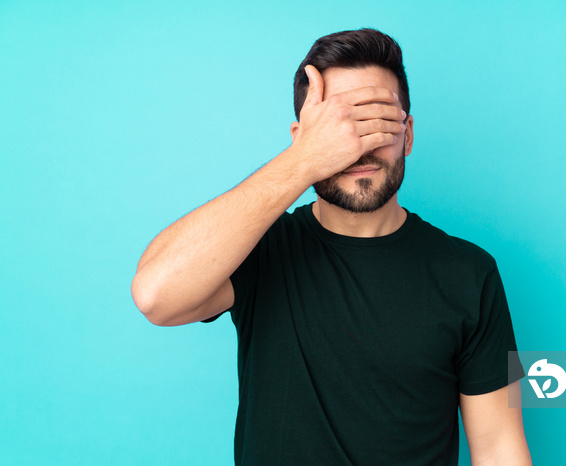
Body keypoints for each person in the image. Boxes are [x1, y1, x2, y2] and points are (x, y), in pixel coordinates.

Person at [132, 28, 532, 465]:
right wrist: (304, 160)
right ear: (303, 136)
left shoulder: (470, 273)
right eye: (340, 126)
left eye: (377, 123)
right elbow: (155, 296)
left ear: (408, 135)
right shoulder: (258, 251)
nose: (358, 148)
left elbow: (499, 446)